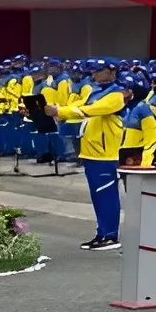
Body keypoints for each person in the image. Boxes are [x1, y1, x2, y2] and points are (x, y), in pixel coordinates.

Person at [56, 60, 127, 249]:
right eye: (92, 72)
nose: (93, 76)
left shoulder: (116, 94)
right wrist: (60, 113)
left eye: (98, 72)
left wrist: (61, 111)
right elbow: (79, 107)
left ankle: (111, 235)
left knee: (107, 195)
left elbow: (93, 110)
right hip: (92, 151)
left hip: (106, 152)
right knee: (97, 195)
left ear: (112, 72)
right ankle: (101, 232)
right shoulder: (94, 92)